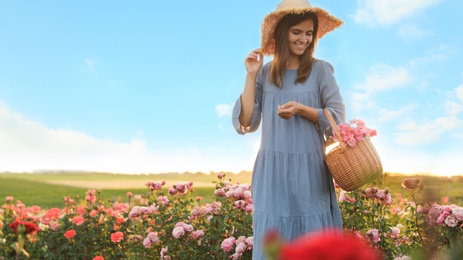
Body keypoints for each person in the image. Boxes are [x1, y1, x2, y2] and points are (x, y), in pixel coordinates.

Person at [231, 0, 345, 259]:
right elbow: (247, 121)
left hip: (311, 171)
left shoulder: (321, 71)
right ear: (282, 33)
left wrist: (302, 110)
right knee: (274, 241)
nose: (304, 39)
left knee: (313, 241)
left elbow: (338, 120)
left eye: (309, 33)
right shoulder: (265, 73)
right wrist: (250, 75)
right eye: (297, 32)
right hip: (272, 173)